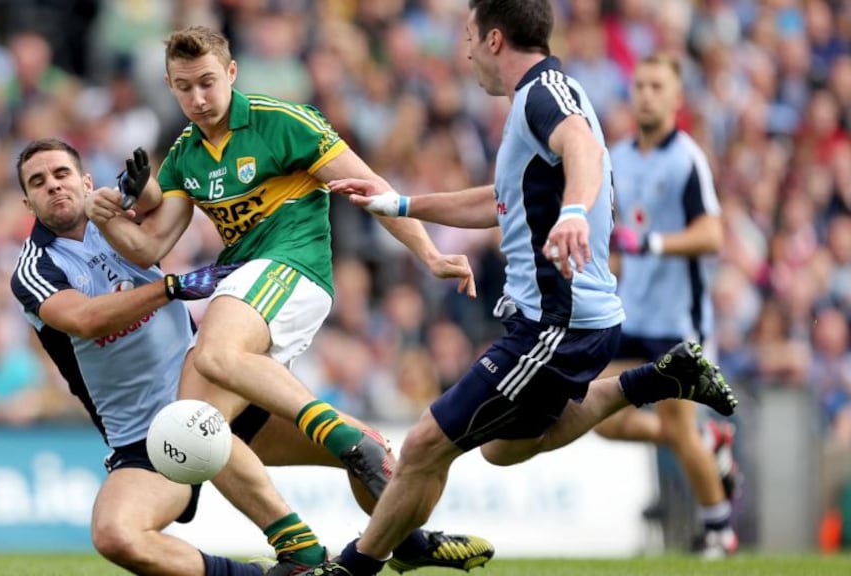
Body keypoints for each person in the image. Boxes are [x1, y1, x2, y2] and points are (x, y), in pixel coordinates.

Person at [299, 2, 738, 574]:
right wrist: (403, 203)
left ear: (496, 40)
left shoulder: (541, 95)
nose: (466, 51)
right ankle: (656, 378)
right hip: (579, 319)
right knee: (502, 447)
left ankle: (355, 565)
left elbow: (581, 145)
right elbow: (498, 200)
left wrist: (575, 211)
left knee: (426, 443)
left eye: (469, 37)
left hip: (555, 325)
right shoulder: (545, 97)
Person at [84, 25, 493, 573]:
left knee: (211, 353)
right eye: (184, 88)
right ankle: (362, 543)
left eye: (208, 82)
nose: (198, 99)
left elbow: (371, 188)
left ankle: (349, 438)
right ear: (170, 86)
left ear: (231, 74)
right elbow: (150, 245)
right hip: (249, 286)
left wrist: (428, 254)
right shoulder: (184, 155)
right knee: (196, 427)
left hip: (292, 268)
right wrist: (104, 216)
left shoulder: (284, 122)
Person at [10, 138, 491, 576]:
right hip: (146, 436)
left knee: (371, 455)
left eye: (61, 174)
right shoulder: (35, 267)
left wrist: (148, 188)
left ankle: (405, 544)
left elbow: (159, 206)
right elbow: (88, 319)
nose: (53, 186)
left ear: (85, 180)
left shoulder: (112, 217)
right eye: (38, 182)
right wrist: (172, 287)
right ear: (27, 202)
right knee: (115, 535)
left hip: (216, 390)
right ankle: (276, 570)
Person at [593, 53, 738, 557]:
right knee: (600, 416)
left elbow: (713, 233)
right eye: (640, 85)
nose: (647, 94)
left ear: (677, 98)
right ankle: (709, 444)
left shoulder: (687, 159)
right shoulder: (617, 156)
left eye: (658, 86)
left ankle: (718, 530)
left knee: (678, 428)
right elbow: (612, 234)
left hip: (679, 321)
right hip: (633, 314)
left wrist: (654, 243)